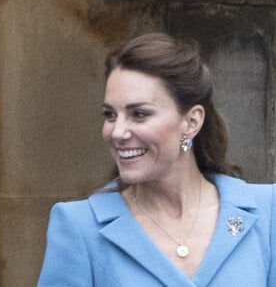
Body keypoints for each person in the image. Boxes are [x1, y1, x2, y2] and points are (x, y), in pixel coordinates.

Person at [37, 33, 275, 286]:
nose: (117, 132)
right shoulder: (80, 227)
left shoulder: (267, 211)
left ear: (191, 122)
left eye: (139, 114)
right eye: (110, 115)